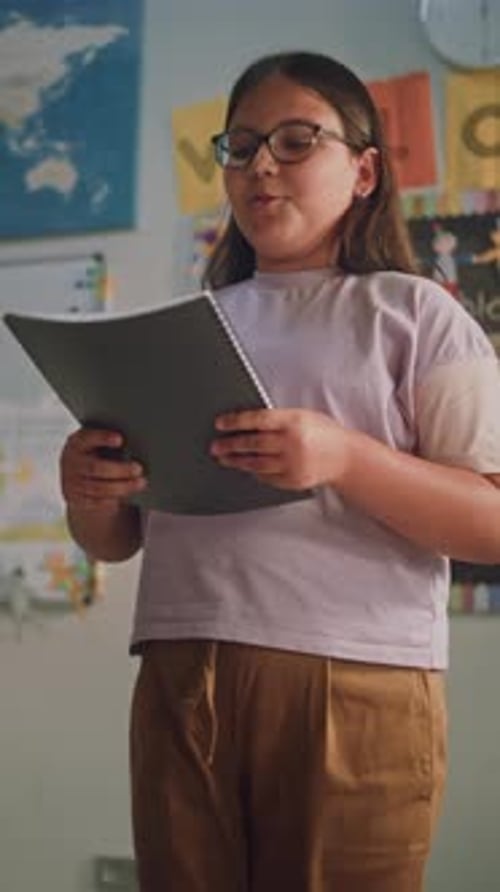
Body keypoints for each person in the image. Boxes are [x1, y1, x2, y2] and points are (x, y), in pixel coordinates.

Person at [59, 51, 500, 892]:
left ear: (364, 169)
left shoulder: (417, 314)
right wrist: (90, 491)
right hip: (181, 673)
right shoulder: (185, 326)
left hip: (359, 677)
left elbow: (490, 521)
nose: (262, 164)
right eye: (244, 145)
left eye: (297, 141)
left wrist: (345, 456)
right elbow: (116, 542)